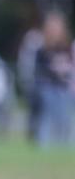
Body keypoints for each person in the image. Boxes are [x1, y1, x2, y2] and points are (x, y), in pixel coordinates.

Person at [33, 11, 75, 147]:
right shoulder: (42, 49)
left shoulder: (66, 47)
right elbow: (39, 68)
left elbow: (70, 64)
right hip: (48, 86)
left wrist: (64, 69)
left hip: (63, 86)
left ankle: (64, 144)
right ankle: (43, 143)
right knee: (47, 115)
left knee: (64, 116)